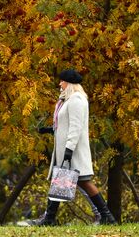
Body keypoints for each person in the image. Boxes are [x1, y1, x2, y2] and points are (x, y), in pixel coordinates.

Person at [25, 69, 116, 226]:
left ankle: (107, 216)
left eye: (62, 81)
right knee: (60, 182)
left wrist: (68, 150)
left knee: (83, 182)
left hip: (73, 151)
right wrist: (50, 130)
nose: (59, 83)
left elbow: (75, 127)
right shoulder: (67, 100)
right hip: (66, 151)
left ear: (69, 83)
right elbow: (66, 125)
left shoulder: (76, 100)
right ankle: (49, 219)